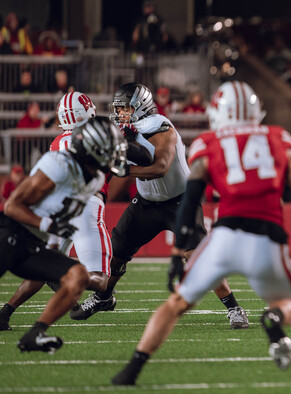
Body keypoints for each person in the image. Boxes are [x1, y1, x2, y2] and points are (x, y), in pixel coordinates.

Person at [111, 81, 291, 385]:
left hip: (226, 236)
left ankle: (133, 369)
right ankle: (273, 321)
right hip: (268, 237)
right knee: (286, 303)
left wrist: (176, 253)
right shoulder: (278, 138)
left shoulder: (208, 143)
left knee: (175, 305)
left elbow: (191, 198)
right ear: (256, 112)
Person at [74, 83, 250, 330]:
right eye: (118, 109)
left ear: (140, 106)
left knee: (198, 258)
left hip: (179, 202)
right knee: (116, 252)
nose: (121, 114)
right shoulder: (127, 130)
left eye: (124, 108)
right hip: (146, 203)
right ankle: (104, 298)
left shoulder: (160, 126)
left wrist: (125, 169)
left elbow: (161, 167)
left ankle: (234, 308)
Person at [0, 92, 150, 329]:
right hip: (86, 206)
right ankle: (66, 274)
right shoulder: (102, 135)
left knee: (41, 265)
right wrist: (127, 139)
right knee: (101, 282)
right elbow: (144, 157)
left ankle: (6, 312)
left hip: (56, 209)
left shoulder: (57, 141)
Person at [0, 117, 124, 353]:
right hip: (10, 234)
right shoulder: (59, 164)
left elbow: (63, 213)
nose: (113, 157)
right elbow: (12, 207)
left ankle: (34, 335)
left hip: (34, 245)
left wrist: (54, 245)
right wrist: (48, 225)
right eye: (109, 150)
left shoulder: (96, 178)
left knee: (78, 276)